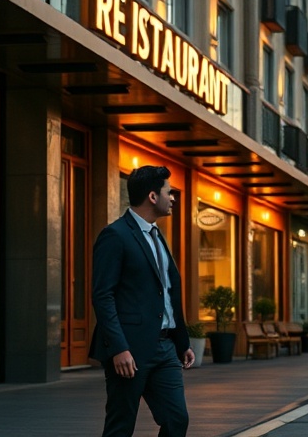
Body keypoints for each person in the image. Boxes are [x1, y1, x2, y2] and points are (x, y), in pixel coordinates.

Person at [90, 165, 194, 436]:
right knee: (121, 426)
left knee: (176, 419)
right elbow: (103, 295)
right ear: (152, 196)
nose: (172, 198)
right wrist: (118, 348)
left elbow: (167, 292)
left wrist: (182, 342)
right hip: (130, 351)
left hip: (165, 349)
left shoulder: (158, 236)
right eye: (168, 192)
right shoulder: (115, 235)